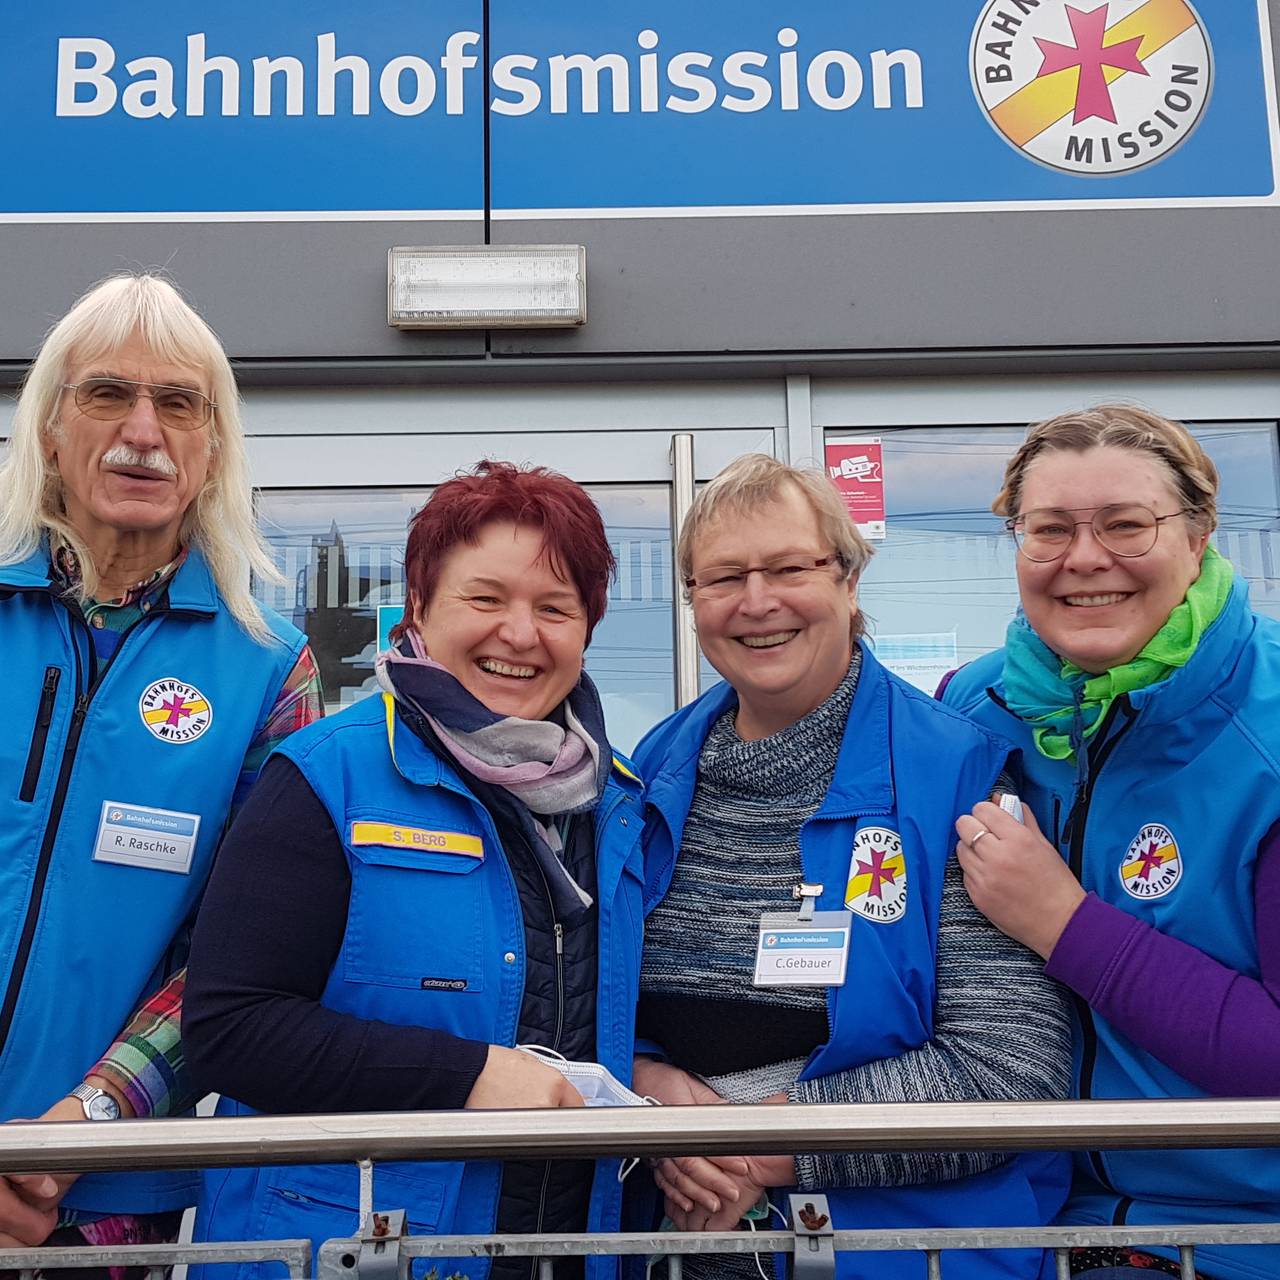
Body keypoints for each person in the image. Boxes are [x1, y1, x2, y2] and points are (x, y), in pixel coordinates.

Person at [185, 461, 645, 1280]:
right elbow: (231, 1029)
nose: (520, 632)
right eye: (485, 598)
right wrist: (471, 1076)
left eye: (554, 608)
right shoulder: (329, 777)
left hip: (568, 1249)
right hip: (352, 1251)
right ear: (421, 611)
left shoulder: (614, 804)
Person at [631, 454, 1072, 1280]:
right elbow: (585, 1008)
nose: (757, 602)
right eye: (722, 577)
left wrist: (753, 1148)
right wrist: (645, 1088)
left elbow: (1006, 1068)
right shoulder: (646, 777)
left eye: (790, 567)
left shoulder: (957, 779)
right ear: (693, 603)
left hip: (906, 1256)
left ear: (849, 579)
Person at [0, 274, 319, 1267]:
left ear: (212, 446)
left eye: (178, 404)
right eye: (107, 395)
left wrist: (86, 1119)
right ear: (50, 429)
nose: (143, 429)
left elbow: (234, 954)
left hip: (101, 1185)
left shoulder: (271, 666)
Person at [941, 405, 1280, 1280]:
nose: (1085, 560)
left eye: (1126, 525)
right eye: (1048, 530)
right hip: (1014, 1228)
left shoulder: (1271, 729)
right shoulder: (969, 712)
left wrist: (1063, 924)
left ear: (1199, 536)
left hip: (1236, 1239)